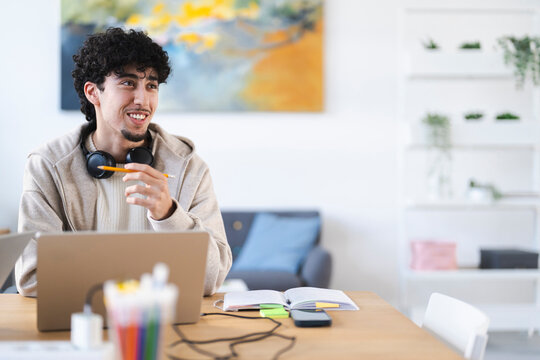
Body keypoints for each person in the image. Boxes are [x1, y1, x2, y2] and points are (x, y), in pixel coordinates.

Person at [15, 27, 232, 297]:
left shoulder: (189, 167)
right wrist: (138, 283)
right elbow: (34, 278)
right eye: (128, 83)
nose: (143, 99)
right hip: (80, 326)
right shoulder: (47, 166)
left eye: (151, 85)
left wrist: (168, 215)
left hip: (163, 325)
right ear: (93, 92)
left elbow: (212, 278)